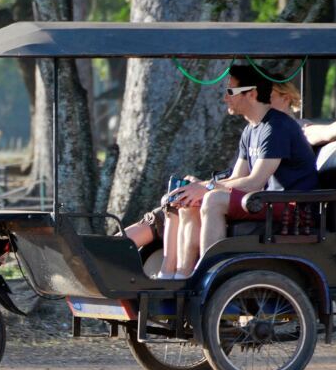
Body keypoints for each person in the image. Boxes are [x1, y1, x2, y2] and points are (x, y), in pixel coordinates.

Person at [124, 71, 305, 277]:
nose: (225, 98)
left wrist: (208, 188)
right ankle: (180, 275)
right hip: (263, 201)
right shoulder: (250, 130)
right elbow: (237, 178)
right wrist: (199, 189)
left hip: (290, 205)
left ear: (252, 94)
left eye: (230, 91)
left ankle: (209, 274)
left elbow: (254, 183)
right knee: (189, 201)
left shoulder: (277, 127)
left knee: (214, 199)